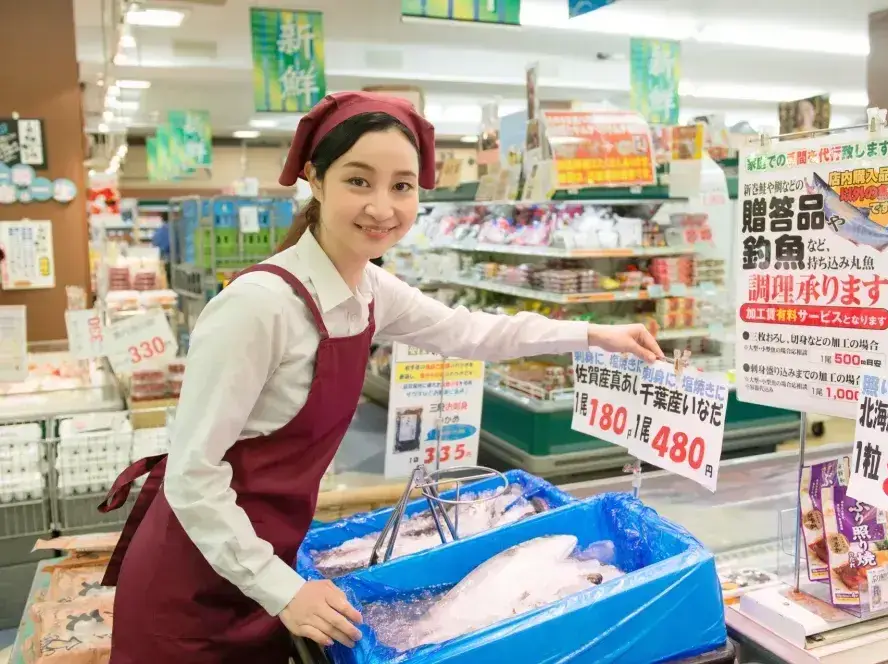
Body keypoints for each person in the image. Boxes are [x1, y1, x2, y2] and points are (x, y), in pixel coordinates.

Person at [97, 91, 665, 663]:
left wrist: (592, 335)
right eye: (359, 181)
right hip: (195, 578)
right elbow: (192, 475)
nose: (383, 207)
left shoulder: (369, 289)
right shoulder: (258, 307)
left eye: (403, 186)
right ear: (316, 181)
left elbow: (468, 331)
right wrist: (282, 588)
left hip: (274, 563)